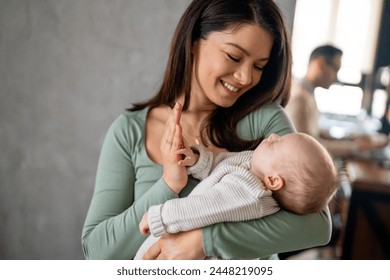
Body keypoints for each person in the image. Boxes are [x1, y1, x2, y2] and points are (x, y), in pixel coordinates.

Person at [82, 0, 334, 260]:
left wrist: (205, 241)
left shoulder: (265, 122)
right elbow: (97, 252)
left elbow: (317, 226)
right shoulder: (132, 131)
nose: (246, 77)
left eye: (259, 66)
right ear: (193, 42)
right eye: (234, 57)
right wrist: (169, 184)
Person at [134, 117, 338, 259]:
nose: (273, 136)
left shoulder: (249, 193)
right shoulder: (253, 166)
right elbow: (221, 166)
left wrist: (159, 217)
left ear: (274, 181)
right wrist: (198, 161)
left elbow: (202, 207)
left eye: (277, 144)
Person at [285, 45, 388, 157]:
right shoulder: (300, 98)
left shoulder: (307, 92)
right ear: (320, 64)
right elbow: (306, 148)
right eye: (336, 69)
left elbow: (314, 135)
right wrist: (356, 147)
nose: (336, 78)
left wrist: (350, 139)